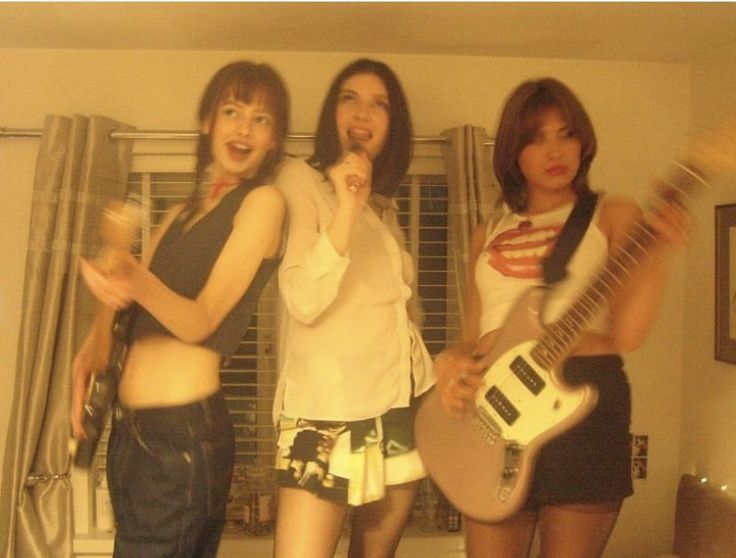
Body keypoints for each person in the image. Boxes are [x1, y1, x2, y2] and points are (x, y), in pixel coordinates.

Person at [434, 77, 690, 557]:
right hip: (496, 410)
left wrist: (656, 254)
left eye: (566, 132)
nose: (555, 149)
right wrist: (448, 361)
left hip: (583, 406)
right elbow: (473, 337)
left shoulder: (612, 214)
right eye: (535, 137)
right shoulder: (487, 230)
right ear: (513, 152)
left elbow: (626, 335)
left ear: (583, 141)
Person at [70, 60, 290, 557]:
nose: (243, 128)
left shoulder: (263, 204)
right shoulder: (176, 215)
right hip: (131, 437)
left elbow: (201, 319)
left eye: (261, 119)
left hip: (182, 440)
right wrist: (90, 347)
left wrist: (130, 274)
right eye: (232, 111)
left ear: (274, 140)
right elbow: (128, 310)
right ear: (206, 122)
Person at [271, 58, 435, 558]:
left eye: (380, 104)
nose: (363, 112)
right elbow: (303, 299)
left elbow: (400, 319)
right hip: (323, 414)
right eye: (350, 98)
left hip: (398, 407)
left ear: (393, 126)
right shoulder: (298, 180)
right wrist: (345, 205)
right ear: (331, 114)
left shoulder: (385, 211)